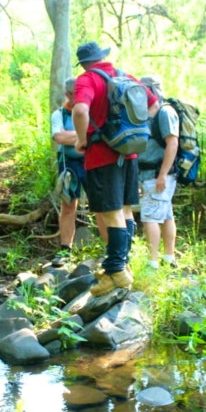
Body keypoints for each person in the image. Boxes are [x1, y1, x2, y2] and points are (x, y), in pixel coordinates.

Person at [71, 41, 158, 296]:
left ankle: (117, 272)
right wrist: (139, 130)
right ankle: (121, 266)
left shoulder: (87, 80)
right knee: (126, 211)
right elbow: (154, 104)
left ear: (85, 63)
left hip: (102, 156)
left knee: (111, 214)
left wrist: (81, 138)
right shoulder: (124, 76)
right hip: (129, 154)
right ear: (102, 58)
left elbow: (79, 110)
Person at [137, 75, 179, 269]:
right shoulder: (148, 113)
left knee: (149, 217)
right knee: (166, 215)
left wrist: (162, 175)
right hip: (151, 174)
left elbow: (173, 143)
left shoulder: (165, 112)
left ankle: (152, 262)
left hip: (159, 174)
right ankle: (169, 258)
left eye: (145, 89)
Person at [50, 77, 88, 266]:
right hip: (68, 163)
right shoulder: (59, 114)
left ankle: (109, 250)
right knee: (68, 205)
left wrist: (71, 135)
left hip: (91, 162)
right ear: (68, 94)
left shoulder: (89, 109)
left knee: (101, 206)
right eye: (76, 94)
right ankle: (66, 249)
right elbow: (59, 137)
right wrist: (84, 134)